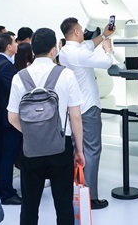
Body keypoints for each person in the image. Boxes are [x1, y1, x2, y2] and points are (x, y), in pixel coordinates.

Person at [7, 28, 85, 225]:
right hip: (60, 146)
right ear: (54, 50)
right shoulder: (66, 75)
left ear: (33, 50)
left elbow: (12, 117)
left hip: (31, 148)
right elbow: (75, 116)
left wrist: (32, 132)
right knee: (64, 203)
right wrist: (79, 150)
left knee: (29, 205)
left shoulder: (19, 77)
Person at [58, 16, 116, 209]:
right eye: (81, 28)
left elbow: (89, 45)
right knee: (92, 151)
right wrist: (108, 49)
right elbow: (106, 62)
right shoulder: (79, 54)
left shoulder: (66, 50)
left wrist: (103, 35)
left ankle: (78, 191)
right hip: (88, 108)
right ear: (76, 31)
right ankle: (90, 198)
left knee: (78, 151)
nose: (83, 31)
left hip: (74, 108)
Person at [0, 32, 22, 205]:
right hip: (8, 118)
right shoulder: (7, 66)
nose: (17, 44)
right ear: (9, 47)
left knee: (1, 154)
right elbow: (14, 91)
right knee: (8, 155)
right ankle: (7, 193)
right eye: (14, 42)